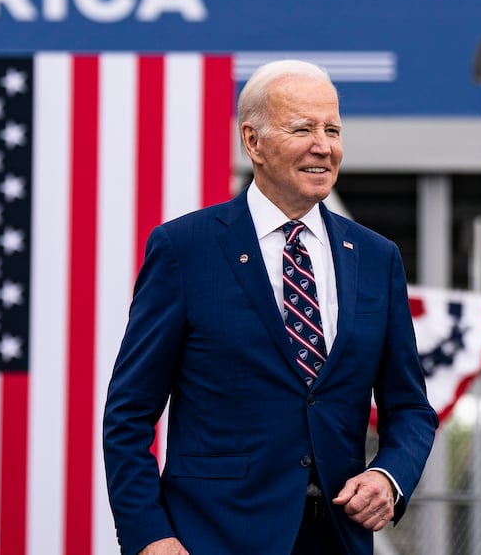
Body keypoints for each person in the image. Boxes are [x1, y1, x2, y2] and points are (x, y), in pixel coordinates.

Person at [101, 60, 438, 555]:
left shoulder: (376, 258)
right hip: (212, 539)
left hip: (336, 541)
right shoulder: (183, 249)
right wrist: (150, 535)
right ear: (252, 142)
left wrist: (389, 477)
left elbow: (409, 406)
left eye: (332, 129)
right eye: (302, 128)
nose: (323, 145)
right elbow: (128, 415)